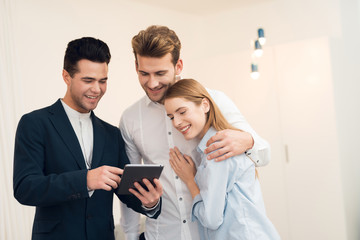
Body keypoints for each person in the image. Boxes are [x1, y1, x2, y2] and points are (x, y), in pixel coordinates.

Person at [119, 25, 271, 240]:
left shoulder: (213, 100)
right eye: (144, 73)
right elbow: (131, 189)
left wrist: (248, 140)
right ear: (136, 66)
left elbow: (264, 153)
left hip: (209, 233)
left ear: (178, 65)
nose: (152, 83)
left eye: (160, 73)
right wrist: (131, 236)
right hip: (163, 233)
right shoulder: (130, 119)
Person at [13, 37, 163, 240]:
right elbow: (25, 188)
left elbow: (126, 189)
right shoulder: (35, 123)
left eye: (103, 81)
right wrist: (85, 180)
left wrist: (150, 203)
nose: (97, 89)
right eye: (88, 80)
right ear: (66, 76)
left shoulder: (112, 133)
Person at [164, 78, 280, 240]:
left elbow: (211, 219)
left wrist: (190, 181)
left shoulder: (217, 149)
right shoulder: (216, 145)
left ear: (205, 105)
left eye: (182, 112)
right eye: (171, 117)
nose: (176, 122)